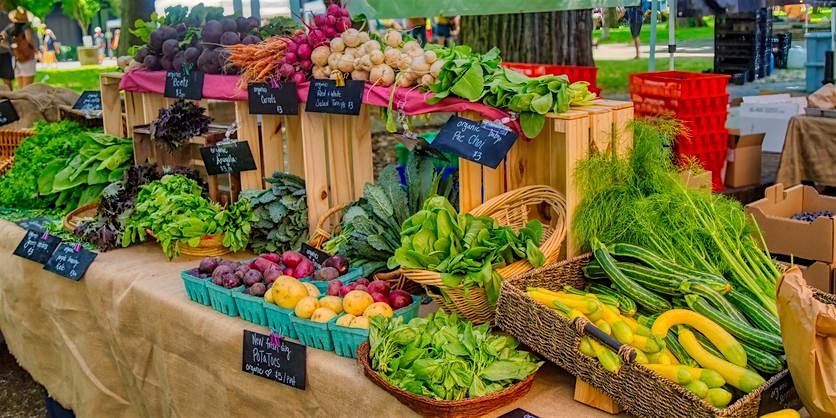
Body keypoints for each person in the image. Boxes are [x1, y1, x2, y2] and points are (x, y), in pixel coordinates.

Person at [5, 8, 35, 88]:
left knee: (20, 88)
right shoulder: (26, 27)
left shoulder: (10, 27)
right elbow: (29, 40)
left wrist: (10, 46)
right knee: (27, 88)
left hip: (16, 57)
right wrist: (34, 49)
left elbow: (1, 38)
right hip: (28, 57)